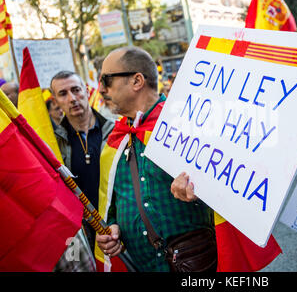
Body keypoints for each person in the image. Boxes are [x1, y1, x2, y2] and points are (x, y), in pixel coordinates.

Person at [95, 46, 215, 272]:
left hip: (195, 265)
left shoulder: (186, 123)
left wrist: (199, 189)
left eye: (107, 80)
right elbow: (112, 204)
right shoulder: (115, 141)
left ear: (137, 81)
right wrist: (112, 228)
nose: (100, 89)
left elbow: (227, 191)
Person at [50, 70, 115, 255]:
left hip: (115, 226)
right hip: (77, 234)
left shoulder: (115, 130)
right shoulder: (53, 144)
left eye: (76, 90)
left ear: (87, 91)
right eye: (63, 94)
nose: (72, 98)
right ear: (55, 101)